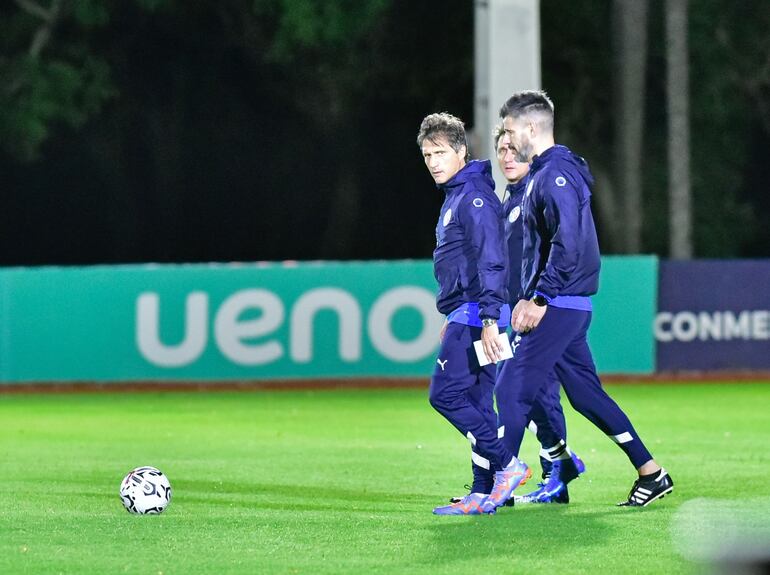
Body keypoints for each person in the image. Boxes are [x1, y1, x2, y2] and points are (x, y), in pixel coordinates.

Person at [482, 91, 674, 513]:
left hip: (559, 303)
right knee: (586, 395)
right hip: (564, 303)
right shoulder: (546, 175)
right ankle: (651, 472)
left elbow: (571, 245)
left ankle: (495, 487)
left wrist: (539, 297)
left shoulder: (555, 176)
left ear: (532, 129)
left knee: (511, 388)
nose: (509, 143)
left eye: (512, 132)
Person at [417, 112, 531, 516]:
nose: (433, 161)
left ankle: (507, 465)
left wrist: (485, 319)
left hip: (478, 315)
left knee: (444, 395)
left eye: (441, 152)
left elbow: (492, 260)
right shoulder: (459, 194)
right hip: (470, 312)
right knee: (481, 404)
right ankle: (483, 492)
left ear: (461, 151)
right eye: (428, 154)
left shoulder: (473, 198)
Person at [494, 125, 586, 504]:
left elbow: (560, 248)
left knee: (537, 392)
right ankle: (559, 463)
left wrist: (539, 299)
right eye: (501, 150)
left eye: (514, 148)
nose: (507, 156)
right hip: (507, 312)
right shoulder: (509, 198)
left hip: (536, 310)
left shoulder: (539, 193)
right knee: (512, 391)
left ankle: (550, 471)